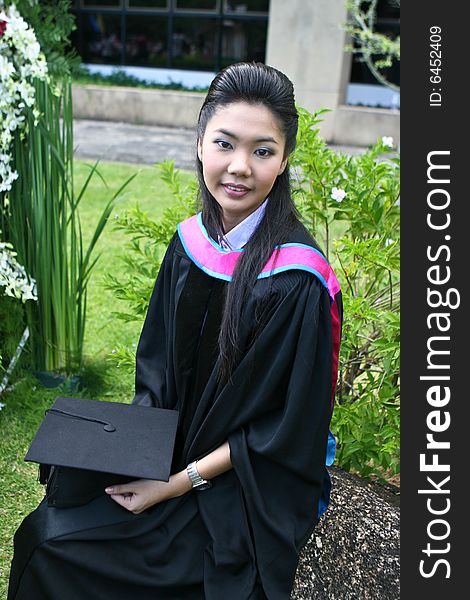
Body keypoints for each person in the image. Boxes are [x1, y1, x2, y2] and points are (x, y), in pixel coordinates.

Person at [8, 61, 342, 600]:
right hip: (168, 451)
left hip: (240, 483)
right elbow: (157, 373)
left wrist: (176, 484)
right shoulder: (192, 243)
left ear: (283, 162)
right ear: (200, 143)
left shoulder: (298, 279)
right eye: (225, 144)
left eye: (263, 151)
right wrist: (121, 453)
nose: (239, 167)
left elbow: (285, 426)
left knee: (75, 554)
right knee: (50, 526)